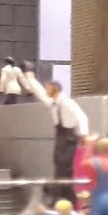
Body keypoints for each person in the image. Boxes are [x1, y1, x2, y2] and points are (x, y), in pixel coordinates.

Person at [26, 72, 88, 202]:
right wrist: (30, 79)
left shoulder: (67, 102)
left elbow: (81, 116)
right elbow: (40, 93)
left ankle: (63, 197)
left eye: (48, 88)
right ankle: (60, 196)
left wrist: (83, 134)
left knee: (65, 168)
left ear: (55, 89)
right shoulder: (52, 103)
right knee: (59, 165)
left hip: (69, 138)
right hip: (60, 137)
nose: (46, 91)